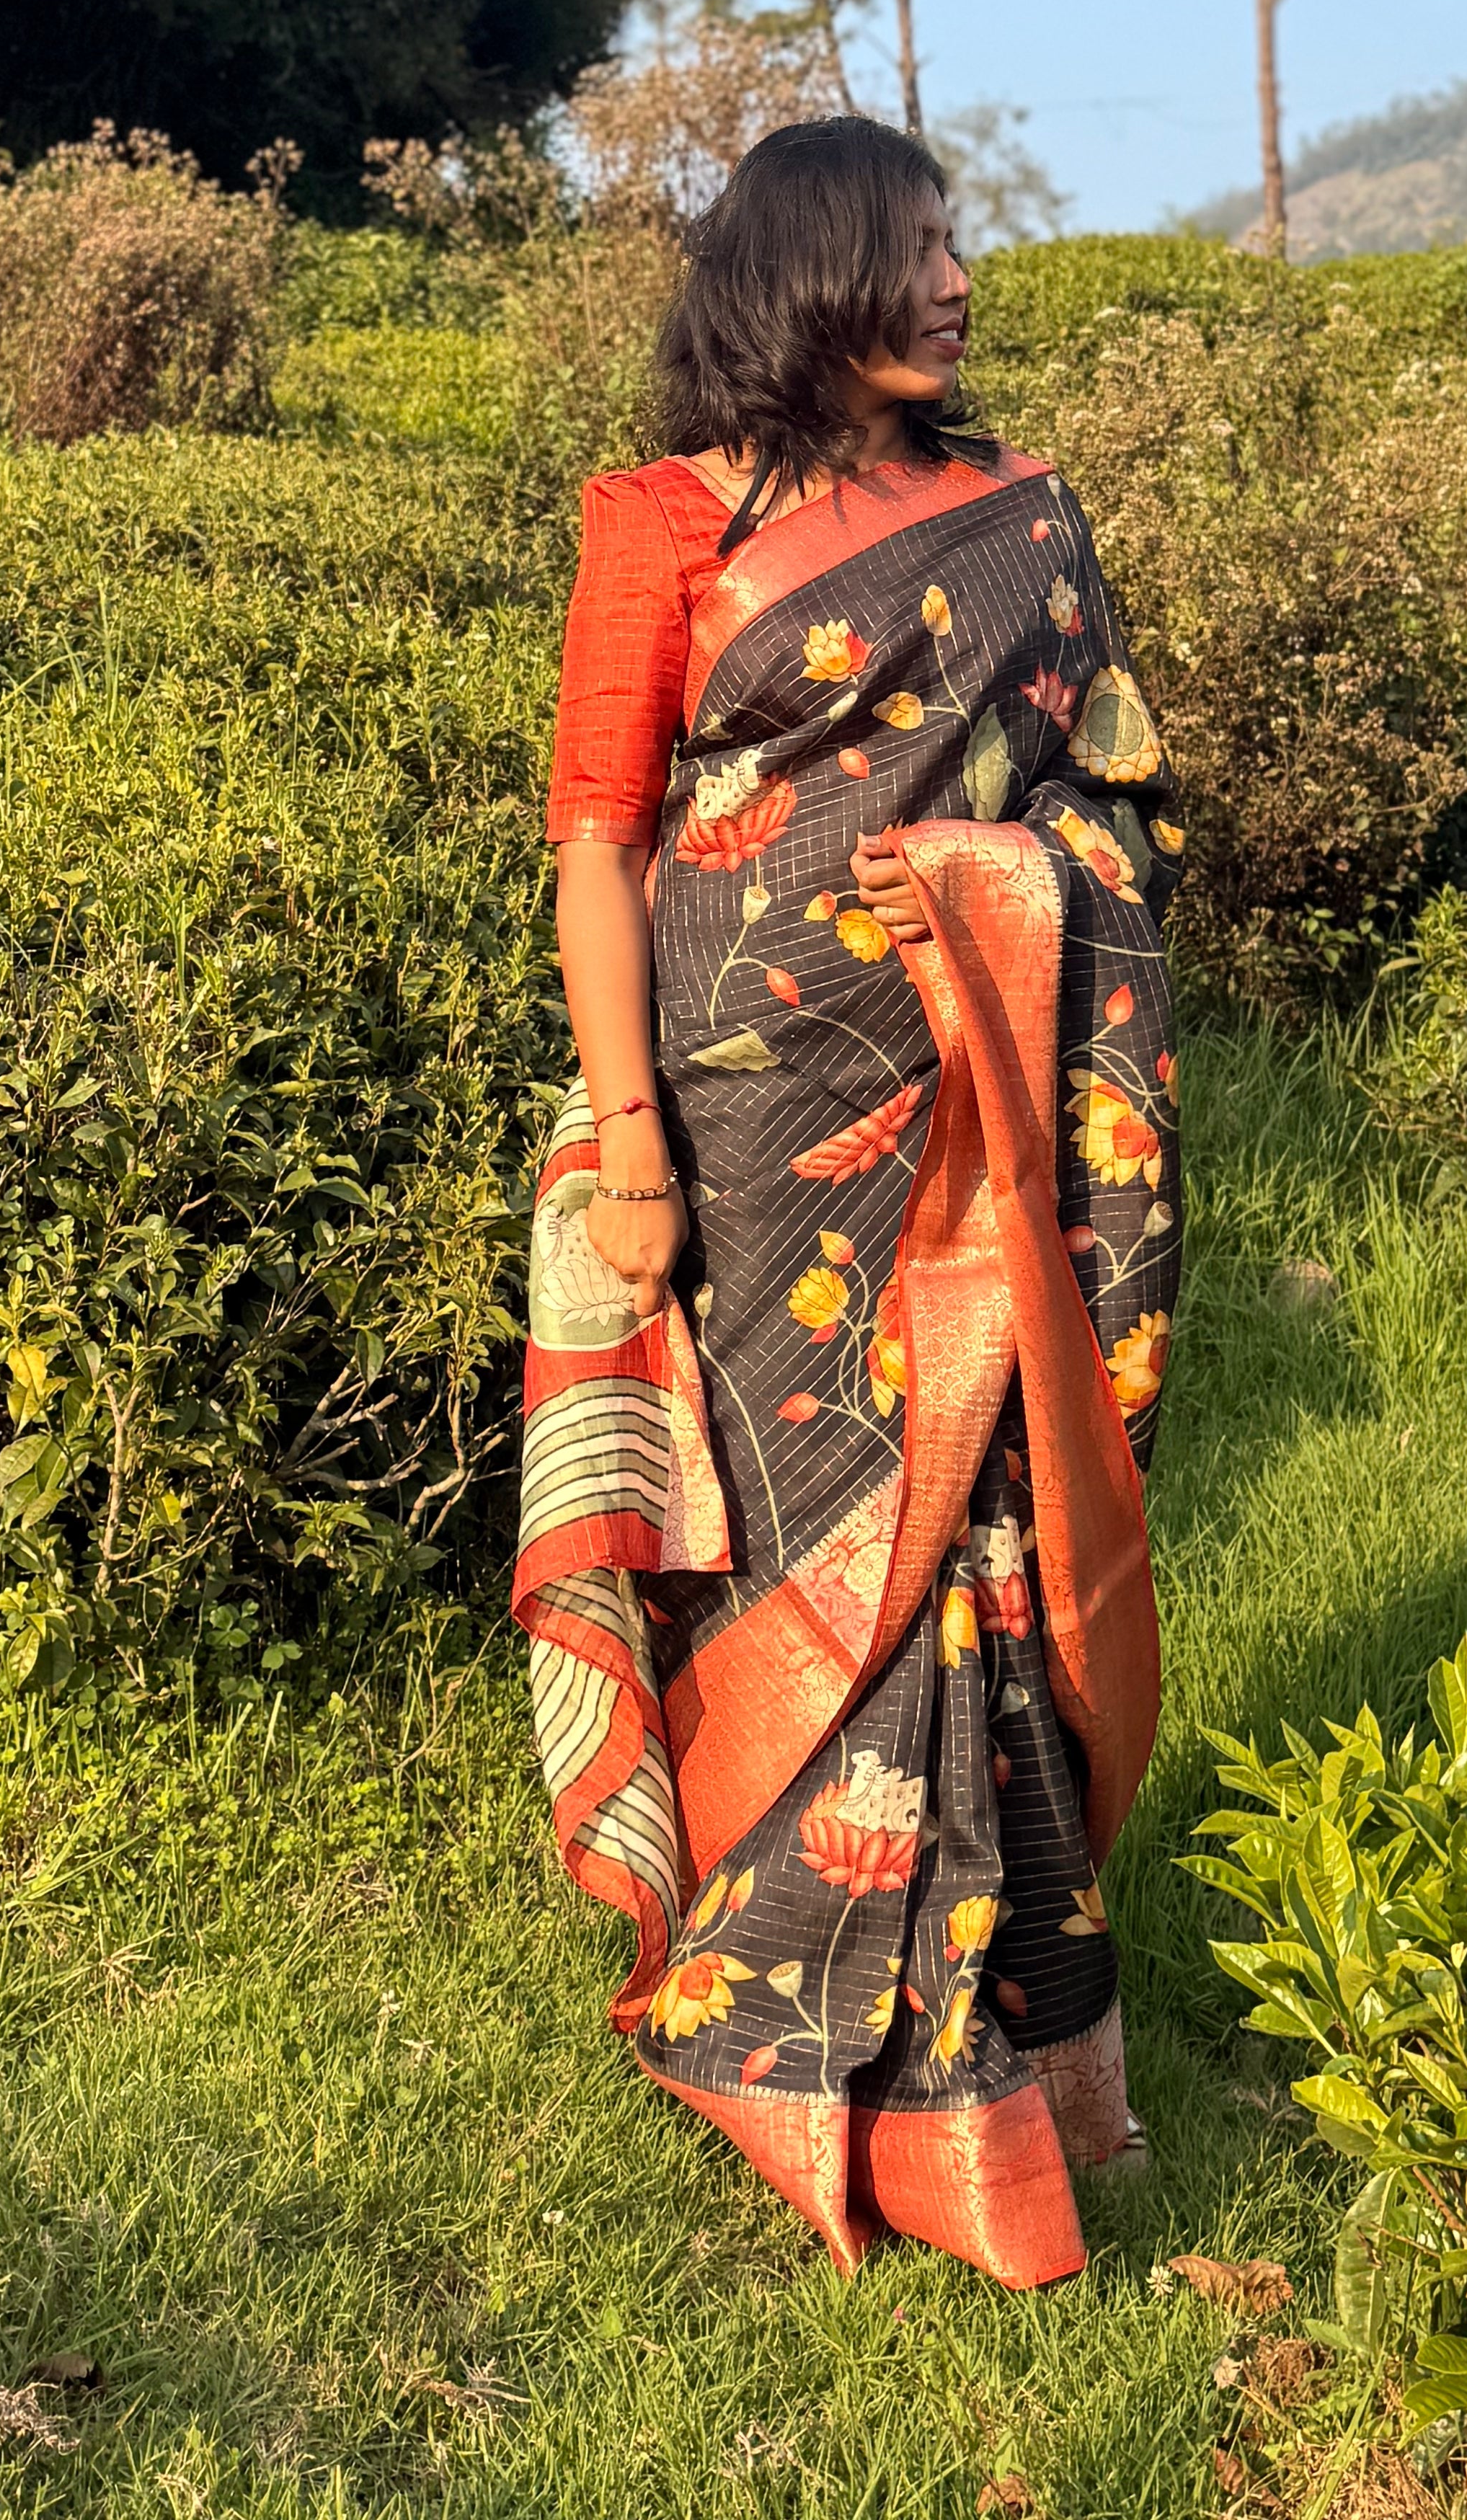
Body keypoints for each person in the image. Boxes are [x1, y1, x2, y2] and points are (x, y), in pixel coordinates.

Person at [511, 114, 1188, 2288]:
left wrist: (1008, 885)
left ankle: (1002, 2040)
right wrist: (625, 1133)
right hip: (749, 1096)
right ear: (808, 277)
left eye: (960, 240)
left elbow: (1112, 803)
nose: (961, 279)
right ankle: (784, 2011)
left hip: (983, 1094)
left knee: (978, 1514)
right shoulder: (657, 524)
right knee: (818, 1528)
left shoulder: (1013, 516)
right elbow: (598, 845)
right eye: (914, 248)